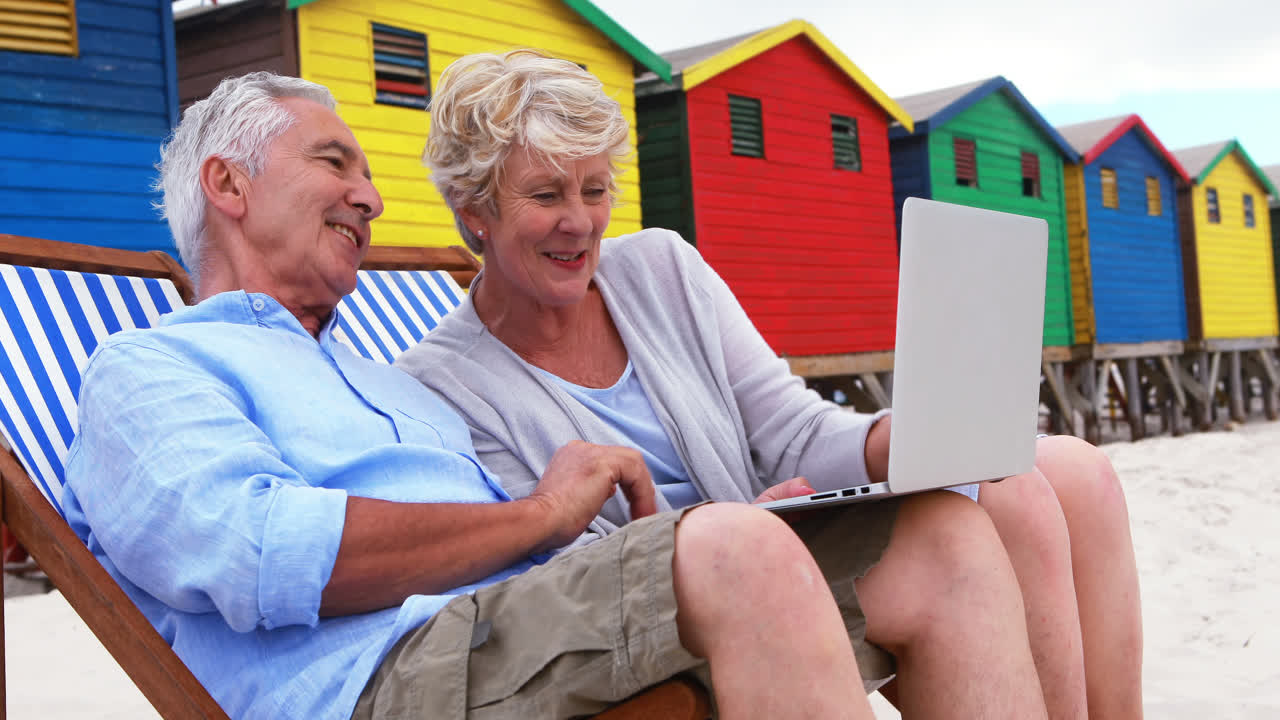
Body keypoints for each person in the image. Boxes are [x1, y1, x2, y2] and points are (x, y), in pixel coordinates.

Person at [61, 71, 1051, 720]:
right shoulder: (149, 372)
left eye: (368, 174)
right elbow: (260, 554)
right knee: (739, 551)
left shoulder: (369, 376)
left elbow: (540, 556)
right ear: (228, 187)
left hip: (510, 633)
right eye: (334, 163)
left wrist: (619, 535)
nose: (367, 196)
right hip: (382, 685)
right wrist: (541, 513)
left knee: (939, 538)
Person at [397, 50, 1142, 720]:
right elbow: (558, 580)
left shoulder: (662, 268)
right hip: (673, 600)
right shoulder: (442, 385)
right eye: (547, 195)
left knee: (1071, 468)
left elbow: (792, 431)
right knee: (977, 520)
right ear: (475, 211)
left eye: (595, 189)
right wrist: (736, 529)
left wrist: (903, 441)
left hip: (777, 531)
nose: (580, 222)